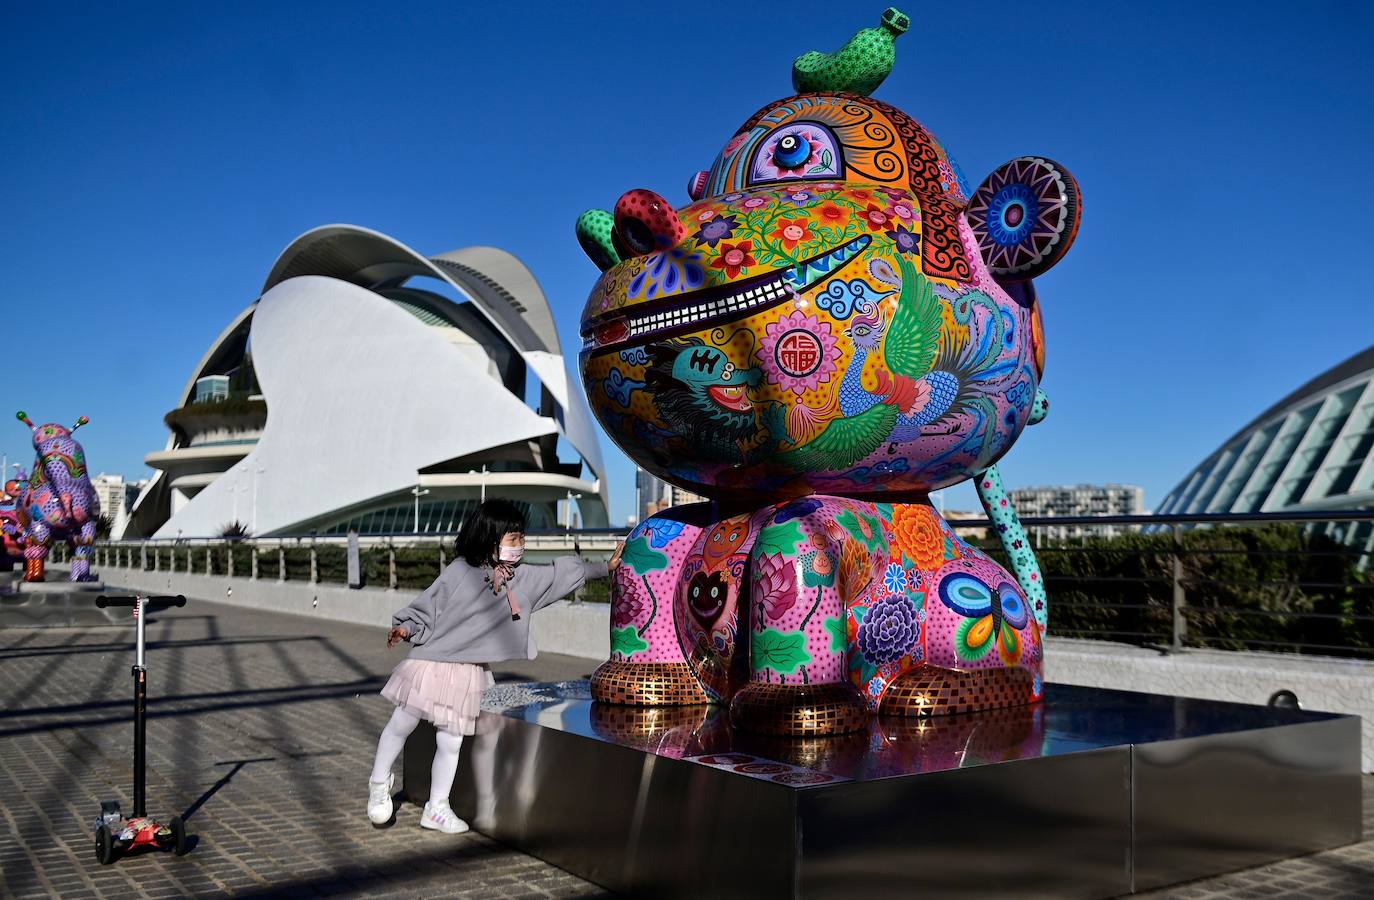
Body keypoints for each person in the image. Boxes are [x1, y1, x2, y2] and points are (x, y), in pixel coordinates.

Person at [366, 499, 623, 834]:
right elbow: (428, 606)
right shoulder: (460, 571)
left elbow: (560, 574)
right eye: (513, 538)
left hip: (467, 670)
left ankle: (437, 807)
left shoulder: (523, 579)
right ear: (491, 538)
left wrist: (605, 567)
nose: (521, 545)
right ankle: (378, 785)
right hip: (432, 662)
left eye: (521, 538)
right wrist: (406, 628)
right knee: (402, 723)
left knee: (452, 740)